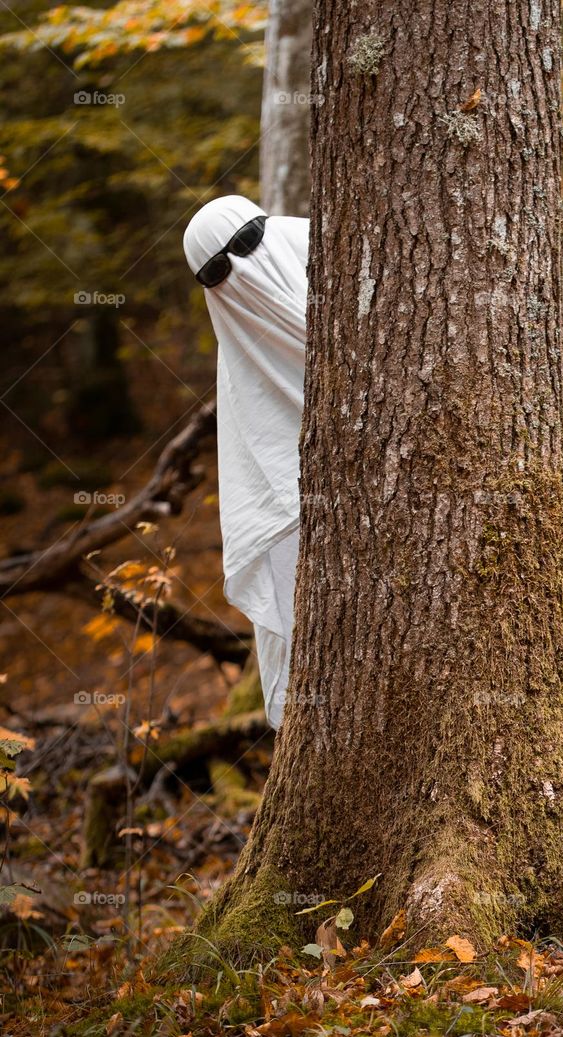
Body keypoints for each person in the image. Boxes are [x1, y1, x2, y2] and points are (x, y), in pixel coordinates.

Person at [183, 195, 308, 728]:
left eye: (246, 243)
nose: (237, 270)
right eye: (216, 271)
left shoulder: (328, 256)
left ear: (268, 228)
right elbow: (262, 480)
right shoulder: (237, 362)